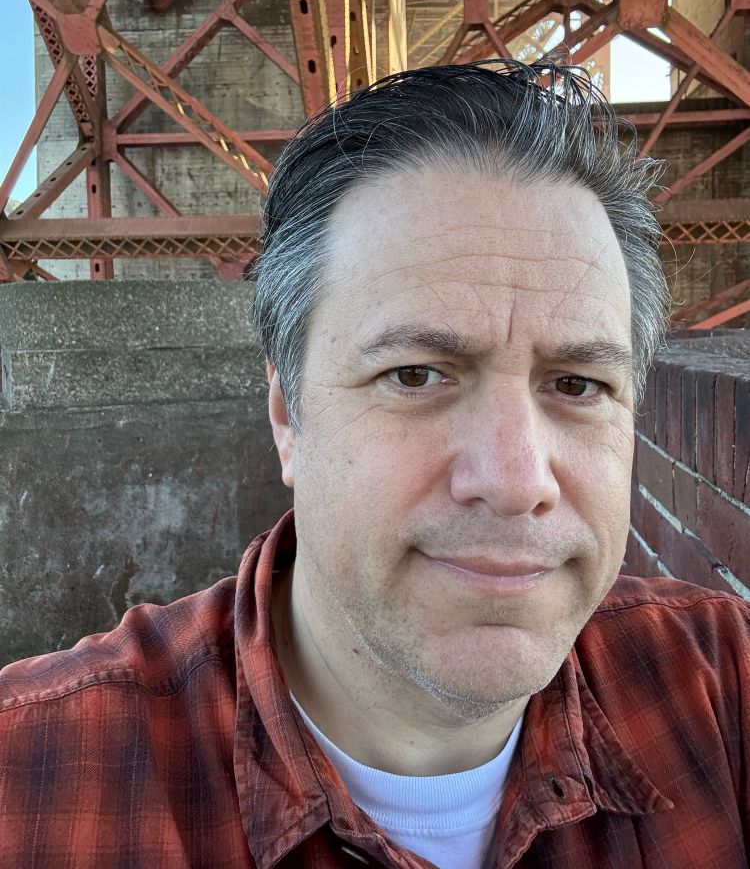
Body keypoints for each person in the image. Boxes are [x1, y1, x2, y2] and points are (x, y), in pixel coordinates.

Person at [1, 60, 748, 869]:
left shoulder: (722, 684)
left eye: (578, 384)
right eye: (415, 375)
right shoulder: (32, 783)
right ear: (289, 415)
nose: (514, 479)